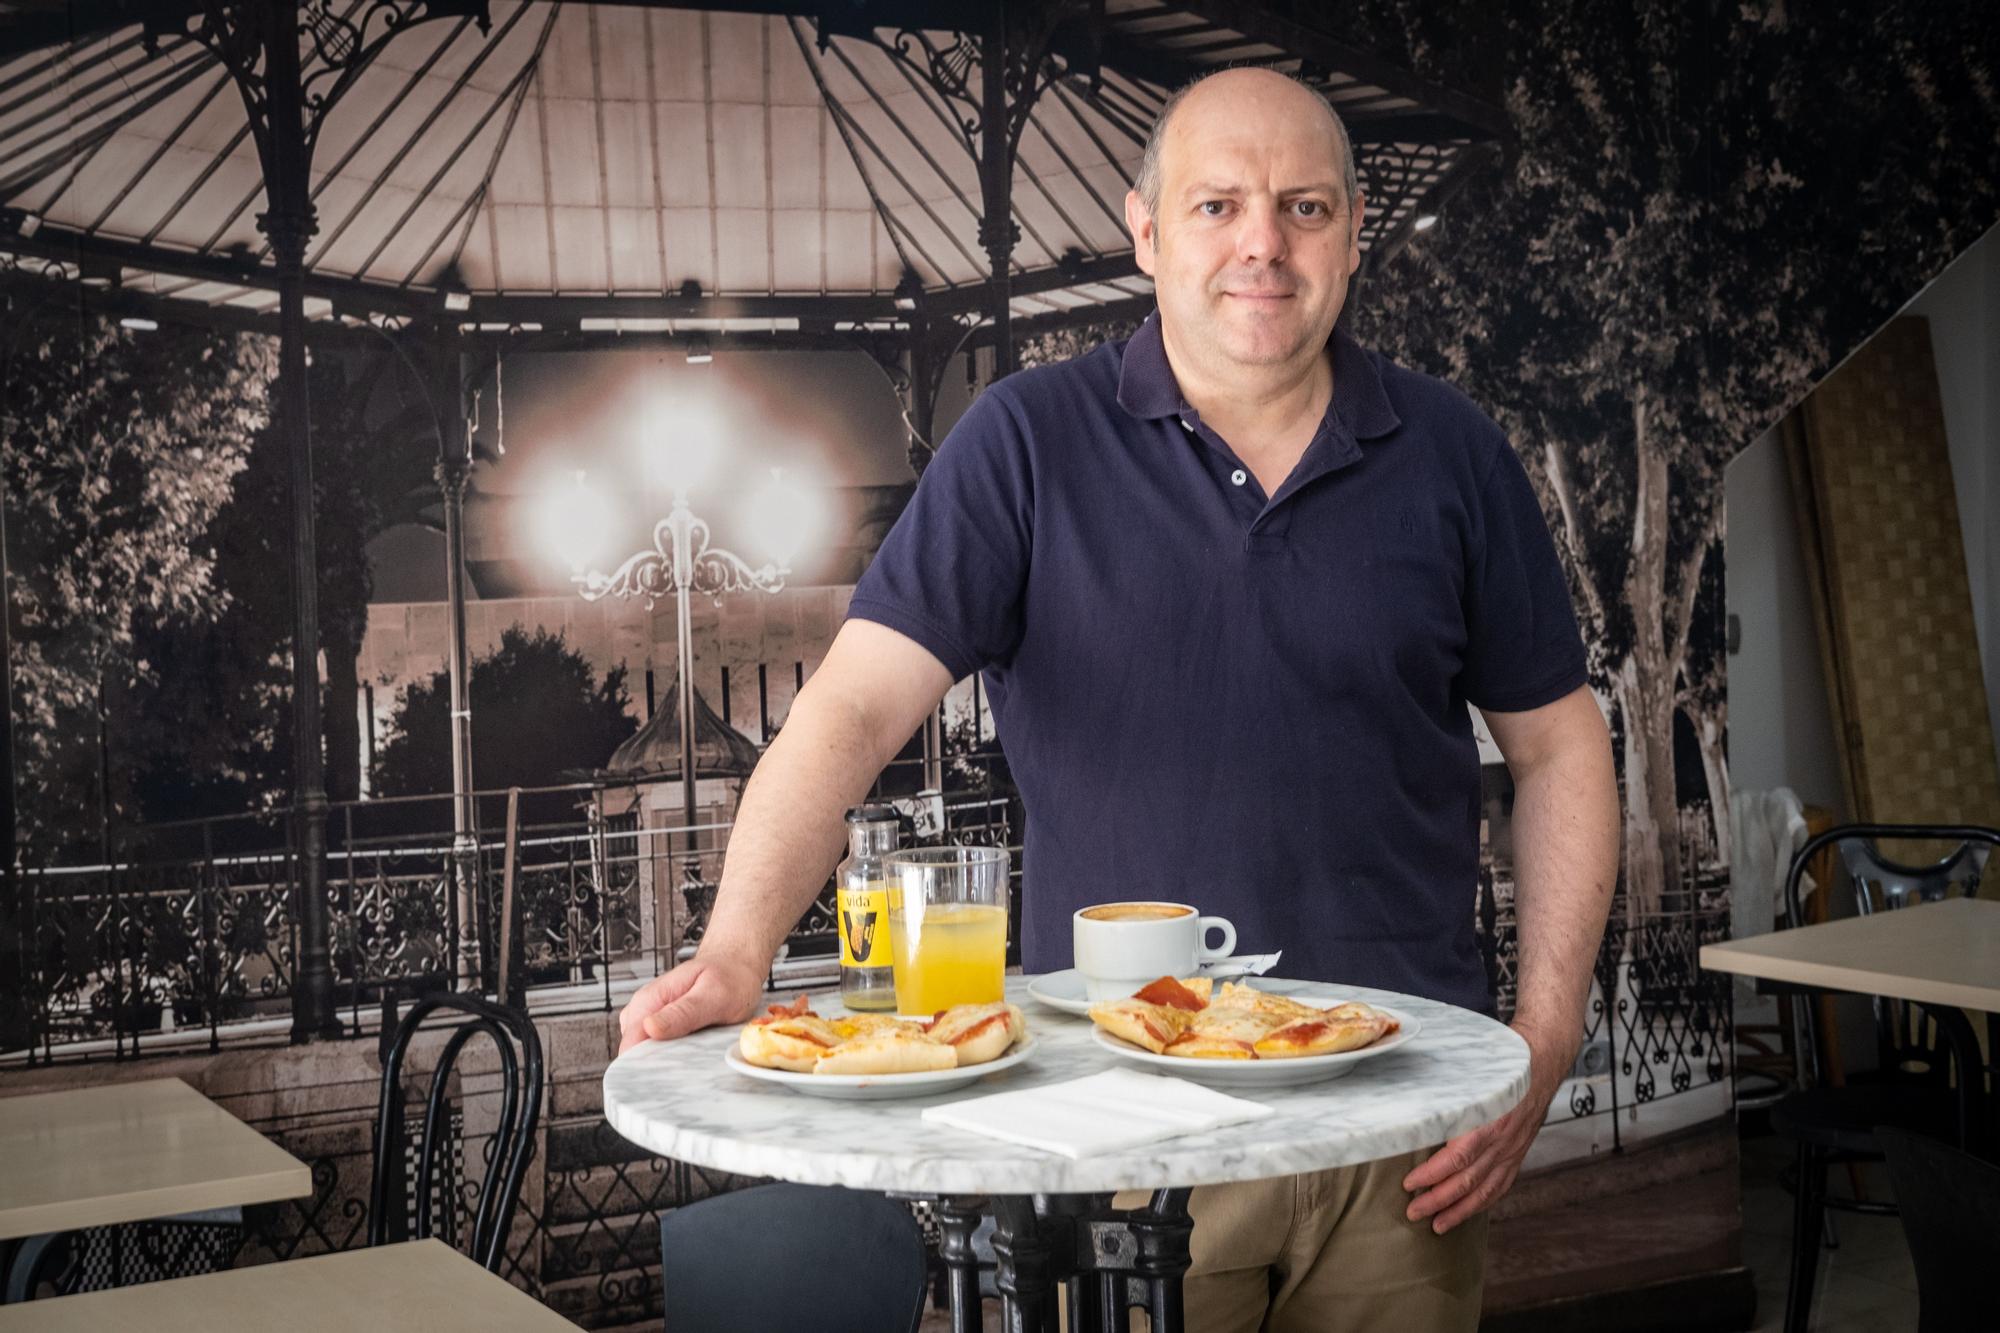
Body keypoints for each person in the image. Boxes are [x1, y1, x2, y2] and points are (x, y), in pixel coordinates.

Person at [620, 66, 1620, 1332]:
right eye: (1217, 206)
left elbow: (1559, 748)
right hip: (1114, 1122)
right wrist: (732, 953)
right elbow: (853, 713)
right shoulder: (1024, 441)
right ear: (1143, 230)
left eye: (1305, 208)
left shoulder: (1454, 452)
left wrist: (1540, 1038)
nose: (1262, 242)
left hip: (1398, 1121)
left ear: (1354, 232)